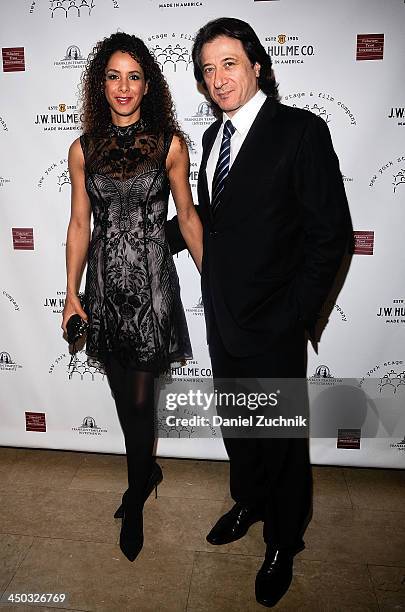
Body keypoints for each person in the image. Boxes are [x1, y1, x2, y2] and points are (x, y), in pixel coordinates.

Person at [190, 17, 351, 607]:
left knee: (281, 439)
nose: (217, 78)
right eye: (208, 69)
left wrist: (297, 314)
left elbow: (331, 233)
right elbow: (215, 222)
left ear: (257, 65)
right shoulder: (211, 142)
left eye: (229, 63)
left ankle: (285, 539)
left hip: (275, 320)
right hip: (222, 315)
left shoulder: (300, 131)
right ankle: (250, 502)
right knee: (240, 428)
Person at [61, 32, 202, 563]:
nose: (123, 86)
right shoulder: (82, 149)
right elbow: (79, 224)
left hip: (153, 290)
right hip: (102, 289)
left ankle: (136, 495)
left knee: (141, 401)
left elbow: (186, 216)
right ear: (102, 84)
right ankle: (147, 469)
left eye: (134, 76)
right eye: (114, 76)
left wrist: (214, 281)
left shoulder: (169, 143)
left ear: (148, 85)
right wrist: (72, 296)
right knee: (125, 401)